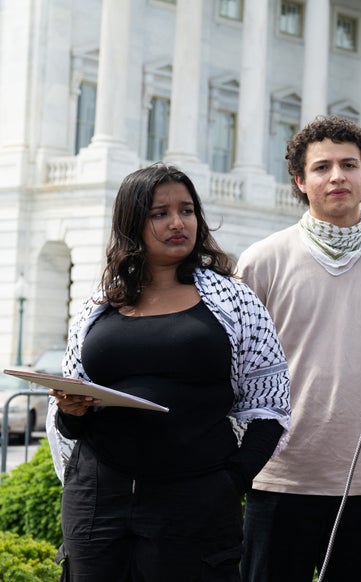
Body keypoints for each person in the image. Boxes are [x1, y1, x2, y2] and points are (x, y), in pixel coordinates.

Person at [48, 164, 291, 580]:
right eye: (159, 213)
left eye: (187, 210)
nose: (178, 222)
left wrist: (231, 480)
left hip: (194, 498)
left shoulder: (235, 301)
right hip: (96, 496)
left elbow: (269, 407)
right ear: (132, 223)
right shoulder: (99, 305)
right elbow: (70, 421)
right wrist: (71, 411)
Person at [238, 116, 361, 582]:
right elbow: (235, 368)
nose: (337, 176)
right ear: (300, 181)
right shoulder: (261, 261)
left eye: (349, 165)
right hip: (279, 475)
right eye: (322, 167)